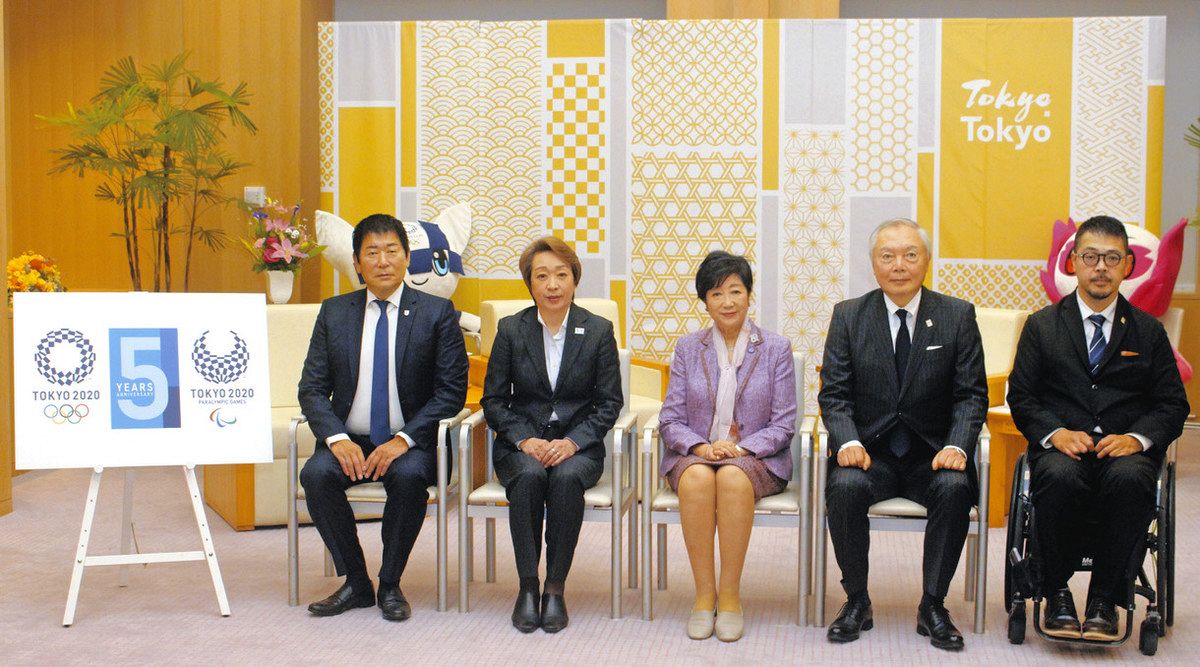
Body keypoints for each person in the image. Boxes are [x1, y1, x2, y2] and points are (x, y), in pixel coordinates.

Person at [1007, 215, 1189, 641]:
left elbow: (1172, 404)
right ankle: (1056, 594)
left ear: (1128, 265)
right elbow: (1023, 397)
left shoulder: (1148, 331)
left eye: (1112, 258)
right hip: (1061, 450)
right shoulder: (1041, 326)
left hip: (1124, 454)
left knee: (1130, 479)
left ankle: (1105, 599)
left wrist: (1137, 439)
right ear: (1073, 262)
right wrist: (1055, 433)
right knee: (1057, 475)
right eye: (1091, 257)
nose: (1101, 267)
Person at [818, 218, 988, 651]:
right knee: (844, 487)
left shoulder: (956, 315)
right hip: (870, 454)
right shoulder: (849, 316)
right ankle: (857, 600)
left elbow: (971, 395)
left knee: (954, 489)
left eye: (910, 254)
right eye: (888, 256)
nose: (899, 265)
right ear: (873, 264)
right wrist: (848, 441)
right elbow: (834, 394)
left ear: (926, 260)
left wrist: (957, 445)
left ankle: (933, 604)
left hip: (932, 455)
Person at [297, 213, 468, 621]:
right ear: (357, 262)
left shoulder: (437, 313)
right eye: (371, 252)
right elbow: (312, 388)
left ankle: (390, 582)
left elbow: (450, 393)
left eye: (392, 250)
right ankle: (357, 582)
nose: (383, 261)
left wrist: (403, 440)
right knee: (316, 475)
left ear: (407, 257)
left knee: (408, 479)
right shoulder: (334, 312)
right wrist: (337, 439)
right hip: (350, 440)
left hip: (411, 441)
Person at [481, 236, 622, 634]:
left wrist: (572, 442)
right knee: (528, 477)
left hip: (579, 447)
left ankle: (555, 588)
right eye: (542, 276)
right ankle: (528, 586)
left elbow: (609, 402)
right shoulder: (511, 329)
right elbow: (493, 400)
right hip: (521, 445)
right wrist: (525, 440)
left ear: (575, 279)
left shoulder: (597, 330)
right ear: (530, 283)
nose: (553, 285)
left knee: (564, 479)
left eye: (561, 275)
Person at [657, 251, 796, 642]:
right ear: (705, 301)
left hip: (756, 458)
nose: (727, 302)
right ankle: (704, 597)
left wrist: (741, 449)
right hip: (698, 455)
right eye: (716, 293)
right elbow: (670, 419)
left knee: (733, 478)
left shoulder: (776, 348)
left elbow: (784, 423)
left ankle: (731, 597)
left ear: (749, 295)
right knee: (698, 479)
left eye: (735, 291)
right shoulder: (688, 348)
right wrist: (702, 448)